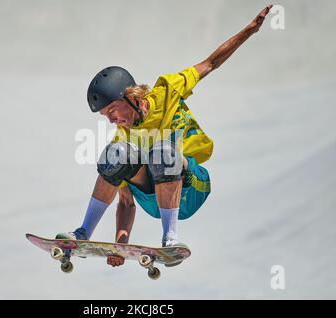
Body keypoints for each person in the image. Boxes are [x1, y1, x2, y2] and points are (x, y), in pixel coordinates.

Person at [56, 5, 273, 267]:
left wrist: (250, 30)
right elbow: (126, 202)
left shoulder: (168, 89)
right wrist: (121, 244)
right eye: (105, 116)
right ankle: (82, 232)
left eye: (112, 110)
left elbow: (211, 63)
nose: (111, 119)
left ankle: (170, 239)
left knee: (163, 150)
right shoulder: (123, 137)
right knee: (116, 156)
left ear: (130, 97)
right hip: (153, 201)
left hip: (193, 186)